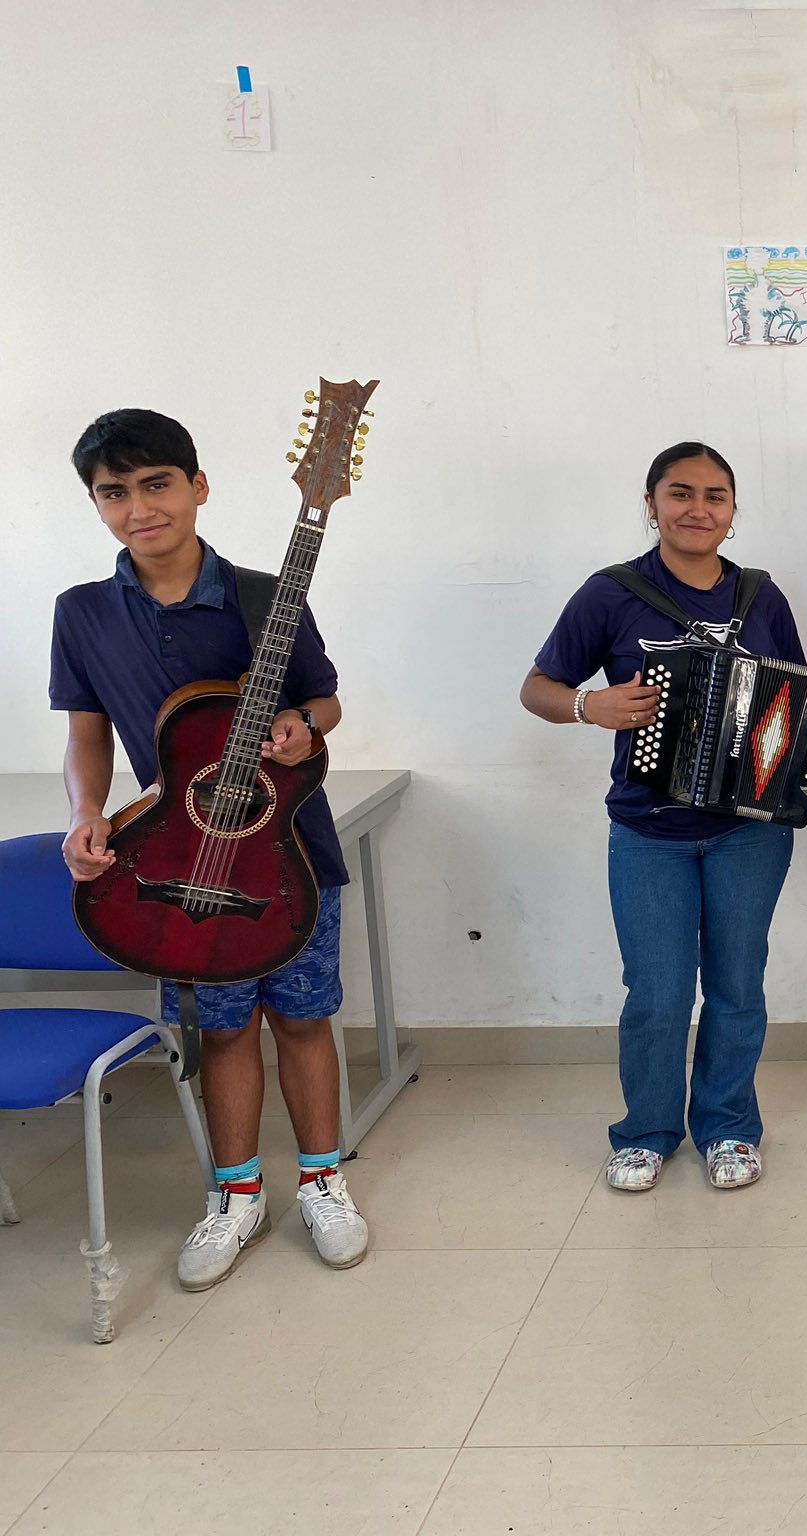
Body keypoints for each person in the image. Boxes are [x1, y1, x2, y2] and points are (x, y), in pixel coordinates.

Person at [53, 408, 368, 1289]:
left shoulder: (267, 595)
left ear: (197, 486)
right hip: (167, 861)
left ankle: (321, 1180)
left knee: (303, 1019)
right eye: (113, 493)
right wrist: (87, 812)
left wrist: (302, 727)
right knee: (223, 1030)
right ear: (96, 503)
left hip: (286, 851)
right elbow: (88, 735)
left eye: (156, 484)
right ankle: (236, 1197)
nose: (136, 508)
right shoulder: (82, 614)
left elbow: (324, 702)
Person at [521, 441, 807, 1193]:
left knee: (738, 984)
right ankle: (646, 1132)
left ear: (733, 513)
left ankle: (729, 1126)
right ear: (651, 503)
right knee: (659, 991)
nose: (698, 509)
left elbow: (801, 700)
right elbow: (537, 686)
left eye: (715, 496)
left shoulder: (761, 596)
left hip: (749, 830)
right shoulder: (609, 593)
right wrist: (587, 705)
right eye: (680, 493)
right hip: (647, 830)